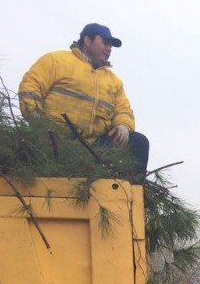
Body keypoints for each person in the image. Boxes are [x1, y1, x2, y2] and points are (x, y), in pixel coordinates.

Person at [18, 23, 149, 177]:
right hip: (55, 139)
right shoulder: (56, 61)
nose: (109, 49)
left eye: (111, 45)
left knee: (139, 142)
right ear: (87, 40)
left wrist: (123, 126)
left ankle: (131, 192)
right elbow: (30, 88)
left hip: (95, 146)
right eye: (105, 43)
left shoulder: (114, 81)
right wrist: (39, 123)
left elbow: (123, 110)